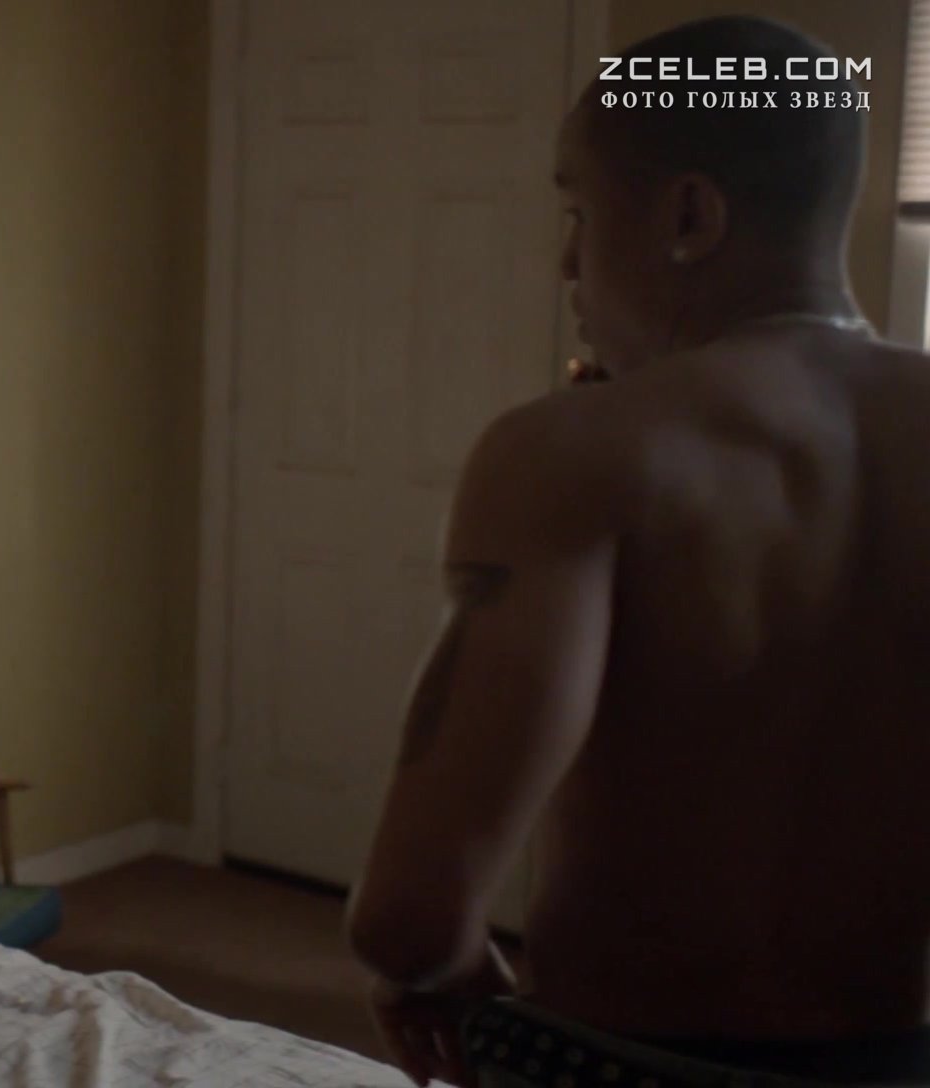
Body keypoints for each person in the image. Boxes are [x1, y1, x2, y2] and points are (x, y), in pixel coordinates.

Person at [344, 15, 930, 1088]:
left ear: (689, 214)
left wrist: (465, 993)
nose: (566, 261)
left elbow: (408, 920)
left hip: (622, 1060)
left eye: (578, 211)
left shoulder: (577, 451)